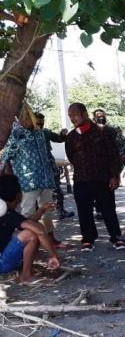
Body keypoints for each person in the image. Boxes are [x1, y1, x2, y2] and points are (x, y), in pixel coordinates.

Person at [65, 102, 125, 252]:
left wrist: (115, 175)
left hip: (102, 179)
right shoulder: (71, 137)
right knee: (84, 211)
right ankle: (88, 239)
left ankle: (116, 238)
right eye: (70, 116)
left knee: (108, 209)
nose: (72, 118)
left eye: (75, 115)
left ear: (85, 114)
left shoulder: (103, 132)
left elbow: (113, 155)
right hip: (81, 179)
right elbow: (71, 157)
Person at [2, 105, 62, 245]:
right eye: (28, 118)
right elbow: (6, 157)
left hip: (46, 179)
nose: (31, 120)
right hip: (28, 181)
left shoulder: (40, 133)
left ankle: (50, 237)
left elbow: (48, 151)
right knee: (27, 212)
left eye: (32, 118)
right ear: (21, 119)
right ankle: (29, 242)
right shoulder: (16, 135)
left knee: (48, 210)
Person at [0, 175, 61, 283]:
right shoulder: (8, 214)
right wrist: (53, 255)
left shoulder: (6, 211)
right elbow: (39, 231)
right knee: (30, 234)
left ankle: (25, 269)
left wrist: (41, 211)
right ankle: (26, 276)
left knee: (30, 228)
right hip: (2, 264)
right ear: (18, 195)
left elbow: (27, 221)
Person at [35, 112, 75, 220]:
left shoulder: (45, 132)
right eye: (38, 123)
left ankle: (61, 211)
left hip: (49, 163)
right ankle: (36, 215)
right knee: (35, 191)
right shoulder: (27, 134)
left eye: (42, 123)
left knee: (56, 187)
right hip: (36, 167)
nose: (40, 125)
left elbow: (58, 138)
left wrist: (62, 134)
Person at [93, 109, 125, 186]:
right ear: (94, 118)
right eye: (98, 117)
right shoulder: (90, 131)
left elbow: (119, 145)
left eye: (103, 116)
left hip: (108, 166)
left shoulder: (111, 130)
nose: (101, 118)